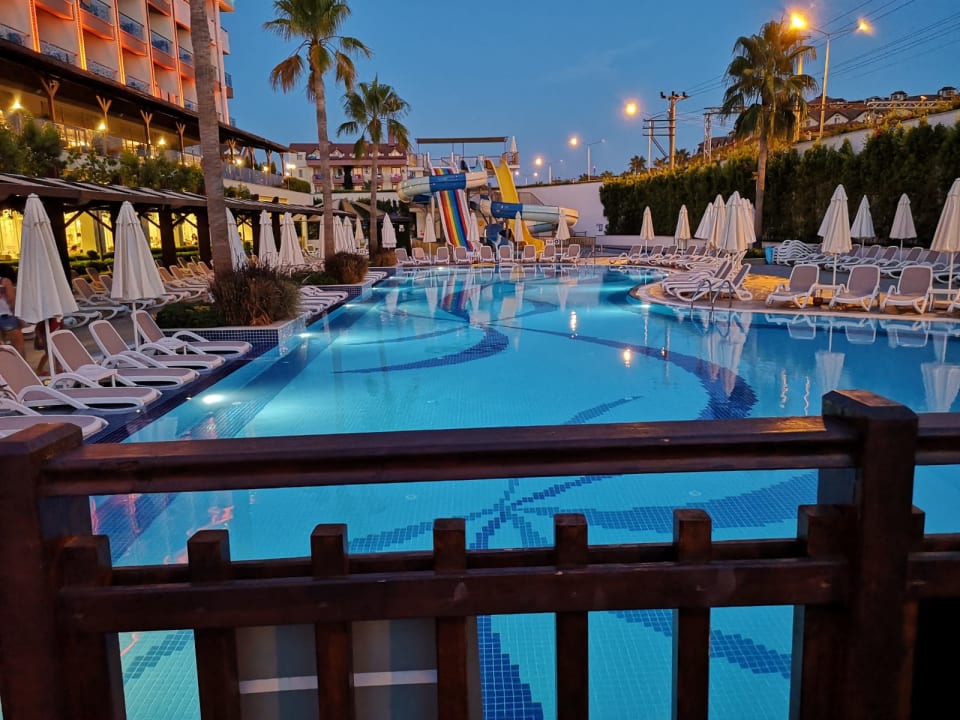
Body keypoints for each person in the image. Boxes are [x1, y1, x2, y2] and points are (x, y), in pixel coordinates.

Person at [0, 264, 25, 357]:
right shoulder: (5, 281)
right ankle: (20, 365)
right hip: (7, 317)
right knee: (18, 346)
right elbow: (11, 300)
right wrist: (19, 318)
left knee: (3, 347)